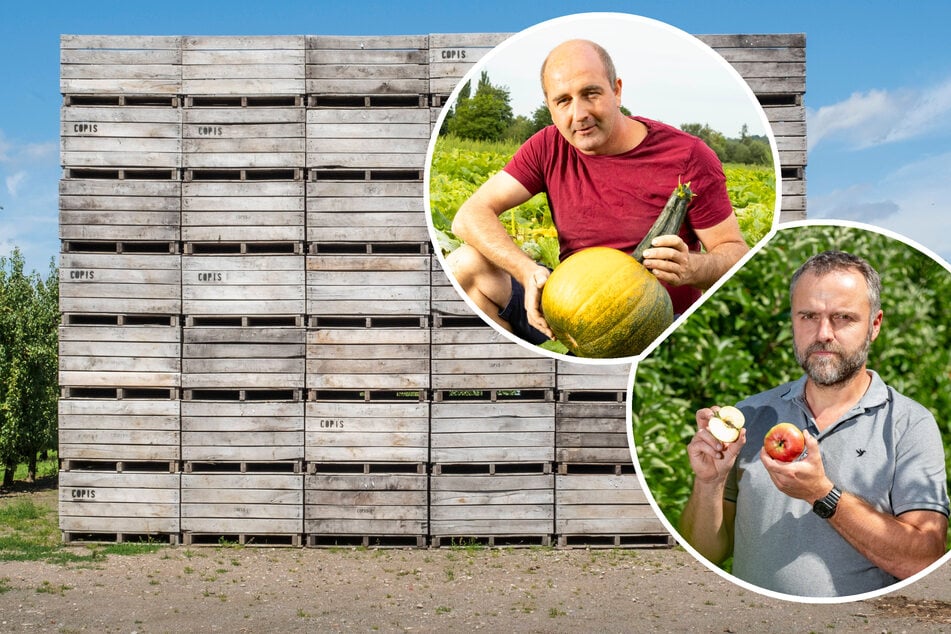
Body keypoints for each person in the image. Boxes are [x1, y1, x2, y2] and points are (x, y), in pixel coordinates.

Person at [680, 250, 949, 597]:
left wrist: (822, 494)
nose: (823, 333)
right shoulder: (752, 414)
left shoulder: (909, 424)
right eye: (808, 316)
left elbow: (925, 560)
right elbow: (705, 554)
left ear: (875, 325)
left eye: (843, 318)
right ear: (793, 320)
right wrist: (709, 483)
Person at [446, 38, 749, 347]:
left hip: (655, 327)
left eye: (590, 94)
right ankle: (519, 381)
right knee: (466, 265)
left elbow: (736, 254)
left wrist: (693, 267)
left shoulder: (687, 156)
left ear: (616, 90)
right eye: (563, 100)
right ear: (549, 106)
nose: (579, 114)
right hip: (568, 309)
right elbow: (469, 216)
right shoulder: (548, 145)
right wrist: (526, 270)